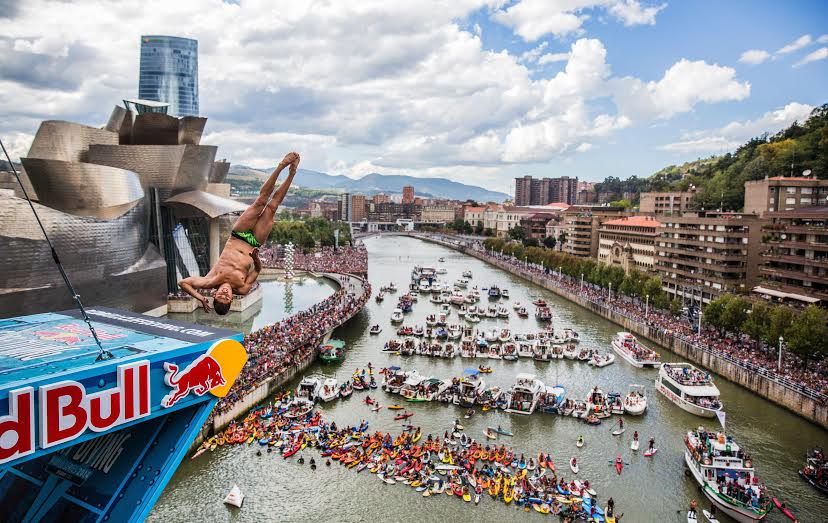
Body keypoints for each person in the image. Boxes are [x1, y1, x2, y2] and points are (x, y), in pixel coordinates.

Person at [178, 152, 301, 314]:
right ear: (231, 299)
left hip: (238, 235)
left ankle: (282, 165)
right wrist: (256, 259)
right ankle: (292, 173)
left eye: (220, 296)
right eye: (226, 298)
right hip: (255, 242)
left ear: (214, 294)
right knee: (272, 207)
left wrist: (199, 297)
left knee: (261, 201)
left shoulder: (209, 281)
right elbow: (257, 270)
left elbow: (183, 283)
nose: (224, 293)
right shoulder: (242, 289)